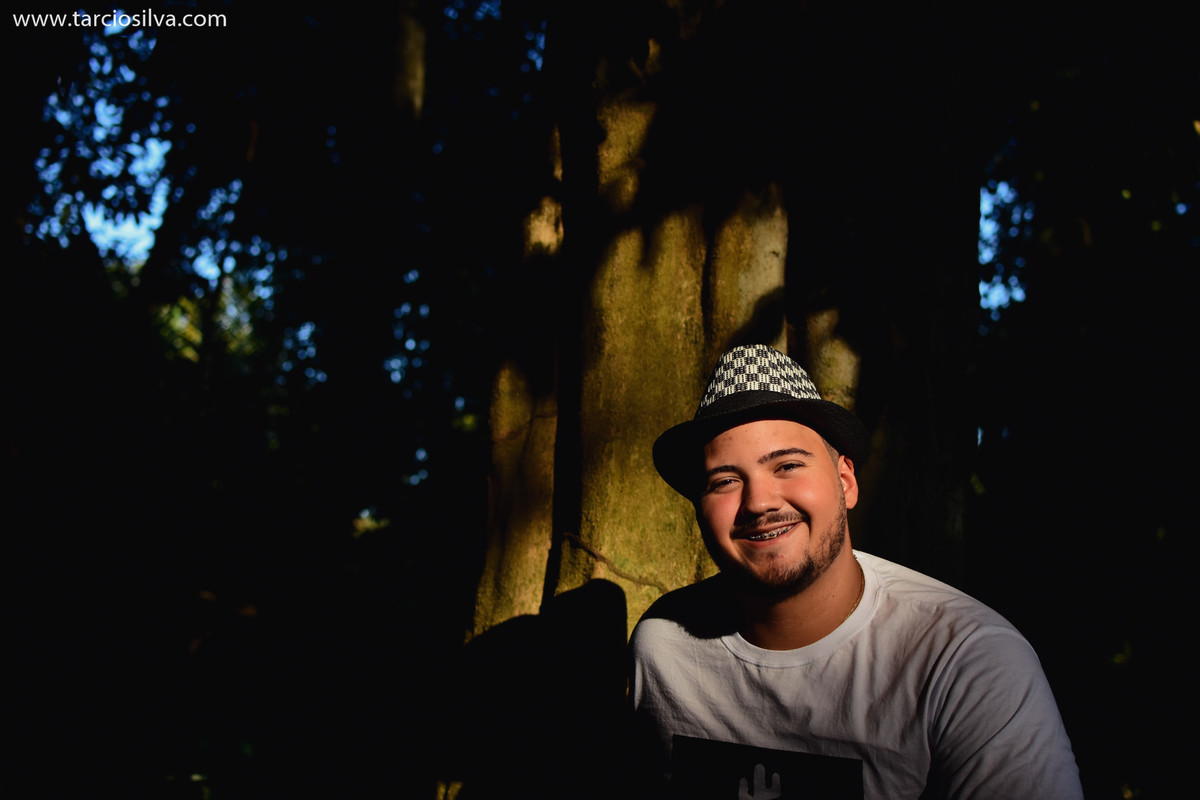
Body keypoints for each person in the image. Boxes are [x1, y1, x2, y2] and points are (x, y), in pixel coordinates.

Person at [629, 344, 1083, 799]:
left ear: (845, 481)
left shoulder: (967, 661)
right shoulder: (664, 649)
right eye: (724, 481)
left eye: (787, 465)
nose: (759, 502)